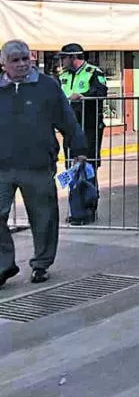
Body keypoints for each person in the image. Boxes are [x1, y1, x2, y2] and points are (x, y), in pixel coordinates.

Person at [0, 40, 88, 285]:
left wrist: (79, 148)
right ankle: (3, 265)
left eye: (25, 59)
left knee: (44, 218)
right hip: (2, 166)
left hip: (38, 164)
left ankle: (41, 264)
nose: (21, 64)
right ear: (3, 63)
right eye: (15, 60)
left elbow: (67, 119)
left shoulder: (47, 86)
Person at [57, 43, 107, 225]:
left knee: (88, 167)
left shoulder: (94, 72)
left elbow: (101, 92)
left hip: (90, 127)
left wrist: (83, 95)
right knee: (72, 167)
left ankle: (89, 209)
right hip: (70, 128)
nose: (61, 61)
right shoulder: (62, 76)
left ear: (73, 57)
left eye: (64, 57)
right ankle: (76, 210)